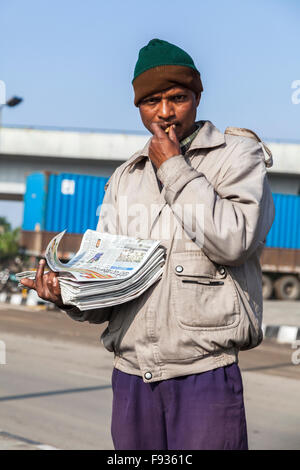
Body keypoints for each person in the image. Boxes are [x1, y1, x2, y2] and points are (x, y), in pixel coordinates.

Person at [21, 38, 275, 450]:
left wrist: (173, 166)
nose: (165, 112)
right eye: (151, 101)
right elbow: (109, 284)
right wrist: (68, 294)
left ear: (197, 96)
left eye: (178, 97)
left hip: (204, 372)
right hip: (132, 376)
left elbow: (235, 241)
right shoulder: (126, 177)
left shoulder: (236, 158)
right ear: (138, 106)